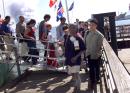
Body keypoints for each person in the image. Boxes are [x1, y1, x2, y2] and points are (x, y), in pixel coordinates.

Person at [64, 24, 86, 91]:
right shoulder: (68, 37)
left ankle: (78, 87)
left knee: (76, 74)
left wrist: (76, 57)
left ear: (76, 29)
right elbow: (67, 47)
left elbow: (82, 49)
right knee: (73, 74)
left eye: (73, 28)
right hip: (69, 59)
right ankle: (76, 85)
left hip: (75, 60)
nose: (71, 29)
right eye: (70, 28)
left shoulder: (77, 38)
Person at [84, 18, 104, 89]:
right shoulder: (87, 32)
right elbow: (84, 43)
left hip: (96, 54)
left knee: (97, 67)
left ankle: (97, 79)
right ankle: (93, 82)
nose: (90, 26)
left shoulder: (100, 35)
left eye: (92, 25)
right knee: (91, 69)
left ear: (96, 25)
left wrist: (95, 53)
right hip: (88, 53)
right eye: (90, 25)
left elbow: (99, 47)